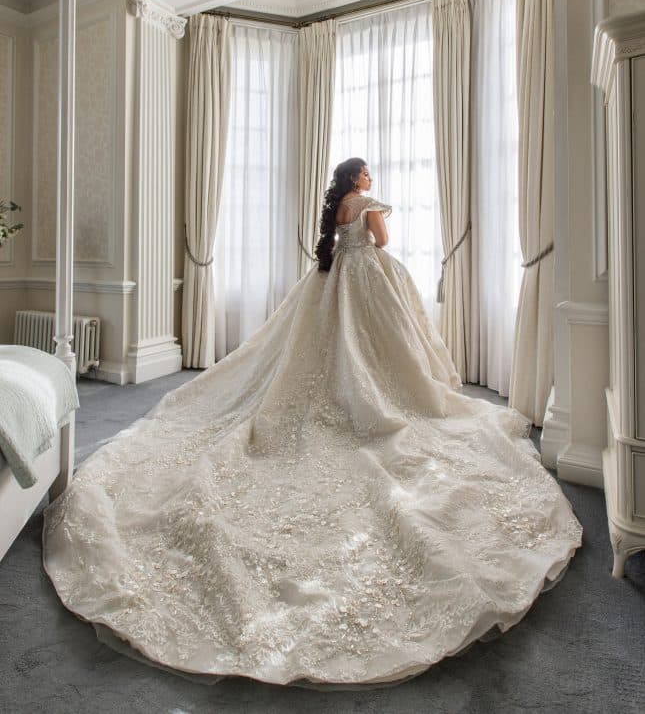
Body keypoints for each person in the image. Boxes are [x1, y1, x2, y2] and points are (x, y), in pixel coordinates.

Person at [43, 158, 582, 687]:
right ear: (356, 180)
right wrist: (377, 223)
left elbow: (342, 242)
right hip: (368, 278)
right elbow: (384, 245)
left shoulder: (336, 212)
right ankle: (376, 396)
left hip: (333, 282)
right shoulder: (367, 206)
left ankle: (350, 392)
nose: (370, 179)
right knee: (375, 350)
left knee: (324, 348)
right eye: (365, 173)